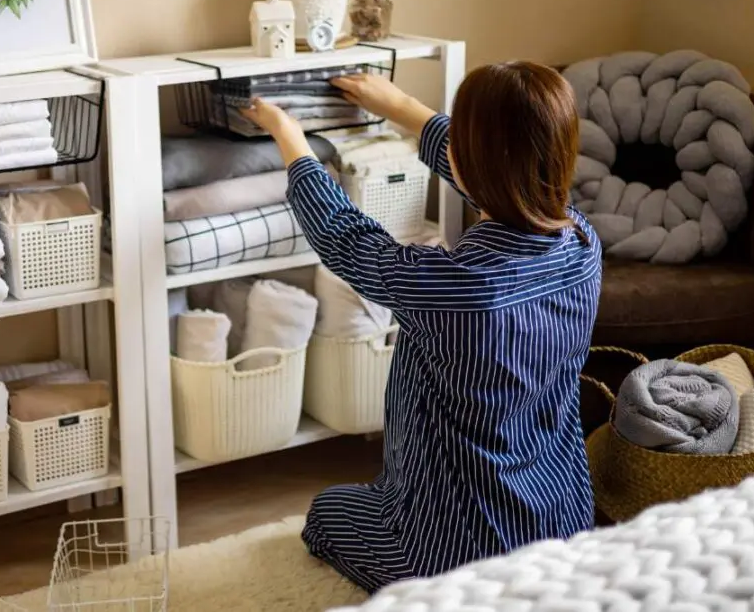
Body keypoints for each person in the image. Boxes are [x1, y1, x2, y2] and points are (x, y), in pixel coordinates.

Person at [239, 62, 601, 594]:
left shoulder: (452, 287)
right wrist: (402, 108)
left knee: (325, 514)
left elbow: (345, 236)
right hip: (562, 526)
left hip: (455, 558)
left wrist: (289, 136)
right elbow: (502, 180)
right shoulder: (584, 245)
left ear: (471, 161)